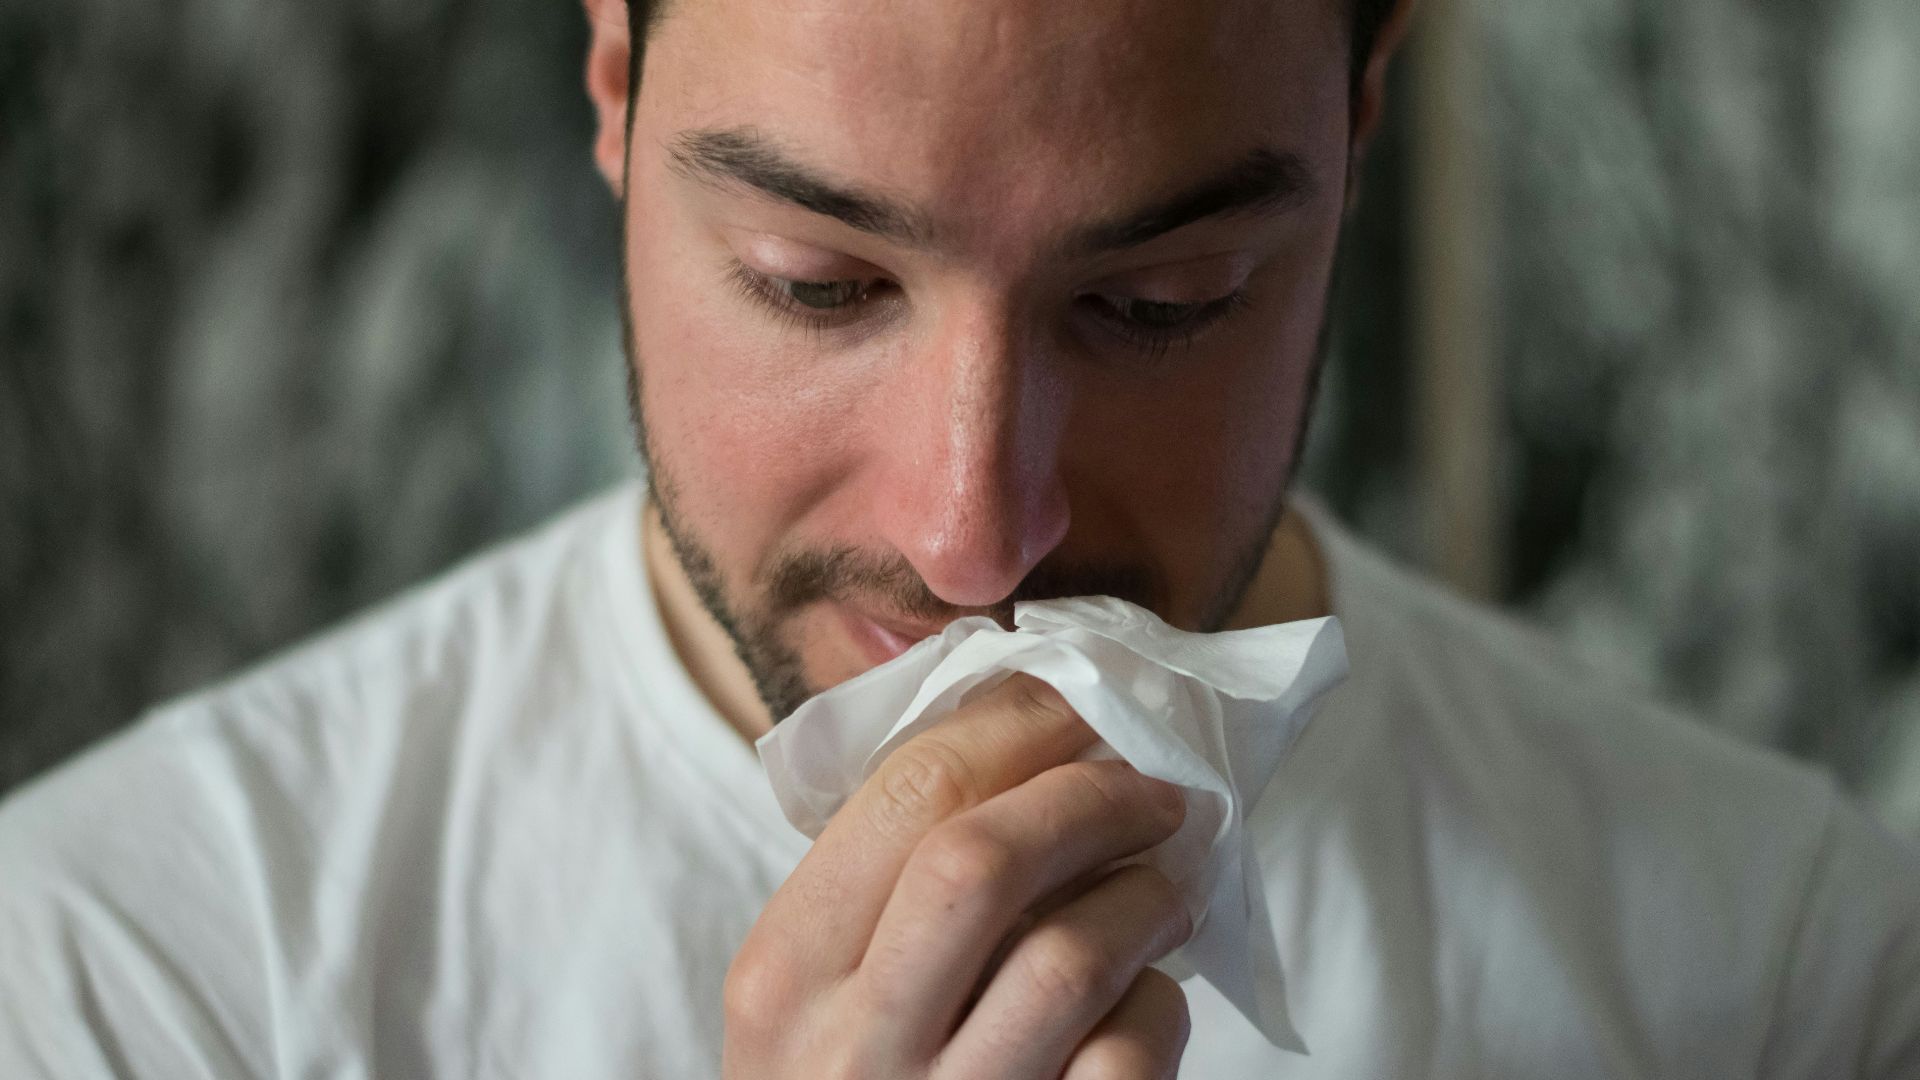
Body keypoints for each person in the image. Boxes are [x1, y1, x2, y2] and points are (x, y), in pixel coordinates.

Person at [2, 0, 1916, 1075]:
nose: (978, 533)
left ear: (1363, 124)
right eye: (817, 284)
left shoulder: (1788, 979)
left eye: (1161, 303)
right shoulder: (134, 978)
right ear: (612, 88)